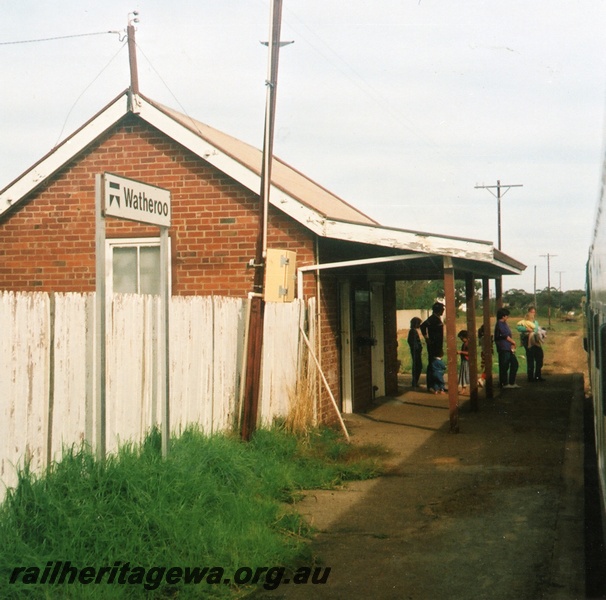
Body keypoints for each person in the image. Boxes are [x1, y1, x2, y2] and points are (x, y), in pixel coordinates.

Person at [516, 307, 546, 382]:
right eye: (531, 312)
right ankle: (530, 377)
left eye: (534, 312)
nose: (533, 314)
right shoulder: (524, 322)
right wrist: (526, 329)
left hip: (535, 340)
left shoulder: (535, 322)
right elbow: (519, 328)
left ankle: (537, 375)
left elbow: (536, 329)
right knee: (530, 359)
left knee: (539, 357)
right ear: (528, 312)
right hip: (527, 340)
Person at [420, 302, 445, 391]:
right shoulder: (432, 318)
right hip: (433, 345)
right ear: (438, 310)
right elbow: (422, 326)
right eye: (442, 309)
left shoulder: (437, 318)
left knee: (436, 365)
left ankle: (437, 386)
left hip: (438, 345)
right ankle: (432, 386)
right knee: (433, 365)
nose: (443, 311)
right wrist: (427, 338)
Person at [494, 307, 520, 389]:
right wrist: (513, 341)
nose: (507, 317)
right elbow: (505, 335)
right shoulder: (499, 324)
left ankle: (511, 382)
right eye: (507, 316)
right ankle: (504, 383)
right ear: (503, 316)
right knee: (504, 365)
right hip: (503, 347)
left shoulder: (504, 324)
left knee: (514, 364)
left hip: (508, 347)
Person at [407, 317, 423, 387]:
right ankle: (414, 382)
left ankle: (415, 382)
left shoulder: (413, 331)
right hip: (415, 352)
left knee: (417, 366)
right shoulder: (412, 331)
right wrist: (417, 349)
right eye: (419, 323)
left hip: (416, 351)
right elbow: (413, 342)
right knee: (417, 366)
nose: (419, 325)